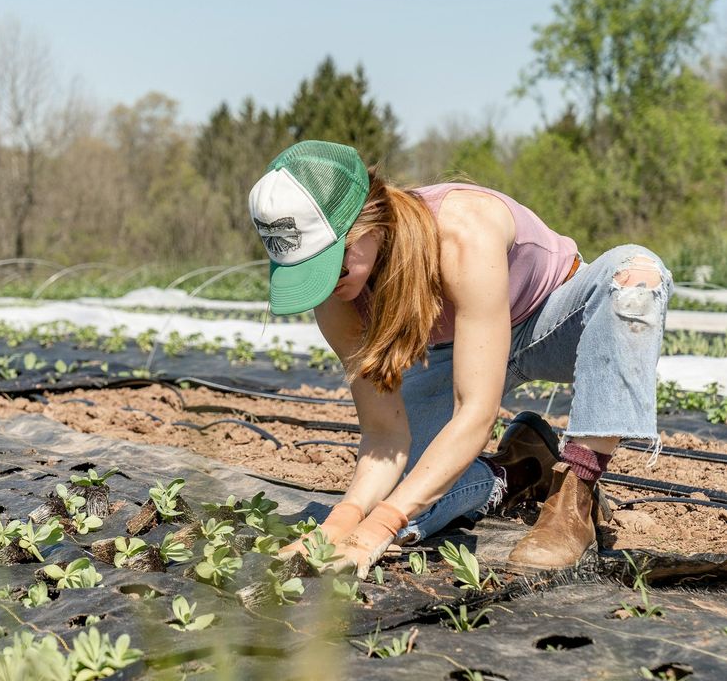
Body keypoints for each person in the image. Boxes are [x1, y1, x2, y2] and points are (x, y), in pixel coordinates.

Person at [248, 140, 671, 577]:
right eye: (307, 272)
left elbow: (475, 413)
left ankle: (575, 494)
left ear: (369, 220)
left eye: (331, 265)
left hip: (553, 322)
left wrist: (381, 526)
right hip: (460, 349)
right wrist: (344, 521)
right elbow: (385, 435)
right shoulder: (337, 297)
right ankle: (517, 470)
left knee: (636, 276)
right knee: (404, 492)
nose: (327, 284)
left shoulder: (461, 230)